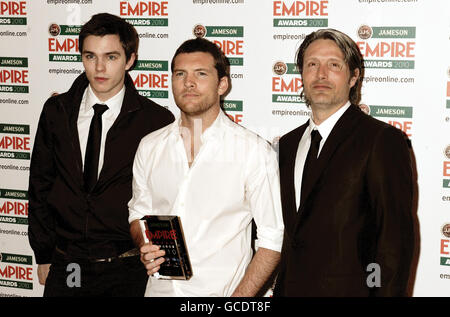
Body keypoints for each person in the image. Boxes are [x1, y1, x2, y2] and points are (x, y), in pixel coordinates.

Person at [28, 13, 174, 296]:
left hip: (127, 267)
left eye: (111, 57)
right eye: (90, 56)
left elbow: (166, 197)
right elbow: (40, 184)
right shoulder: (56, 111)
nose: (99, 67)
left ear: (130, 60)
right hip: (68, 263)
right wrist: (43, 253)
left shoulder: (156, 120)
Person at [128, 37, 284, 297]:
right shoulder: (149, 146)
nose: (189, 82)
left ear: (222, 84)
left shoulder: (253, 151)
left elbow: (272, 240)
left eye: (200, 74)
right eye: (180, 74)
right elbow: (138, 212)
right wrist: (145, 245)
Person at [273, 28, 414, 297]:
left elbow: (393, 245)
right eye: (312, 64)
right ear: (301, 75)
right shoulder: (287, 146)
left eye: (334, 65)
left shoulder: (382, 141)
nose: (321, 74)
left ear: (354, 77)